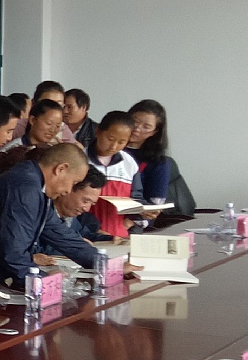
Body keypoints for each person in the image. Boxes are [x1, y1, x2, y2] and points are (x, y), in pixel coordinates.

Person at [0, 143, 98, 288]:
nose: (68, 190)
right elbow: (14, 255)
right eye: (74, 182)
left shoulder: (36, 186)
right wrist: (44, 282)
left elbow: (60, 233)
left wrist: (101, 263)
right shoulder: (25, 188)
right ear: (60, 169)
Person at [84, 111, 147, 240]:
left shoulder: (129, 163)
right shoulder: (81, 159)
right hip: (87, 234)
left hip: (119, 235)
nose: (113, 146)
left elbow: (136, 197)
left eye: (121, 142)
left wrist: (141, 214)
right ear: (98, 132)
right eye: (110, 139)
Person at [35, 169, 118, 260]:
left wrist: (109, 239)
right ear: (68, 189)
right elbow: (35, 249)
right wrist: (78, 247)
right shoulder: (40, 212)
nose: (87, 209)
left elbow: (83, 234)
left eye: (92, 204)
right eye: (85, 201)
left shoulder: (70, 217)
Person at [127, 99, 173, 207]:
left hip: (135, 214)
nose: (137, 129)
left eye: (146, 127)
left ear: (154, 132)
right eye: (135, 121)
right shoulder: (108, 149)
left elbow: (155, 203)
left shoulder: (158, 162)